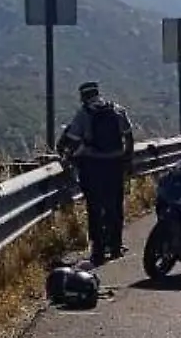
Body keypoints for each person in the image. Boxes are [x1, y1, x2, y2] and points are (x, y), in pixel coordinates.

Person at [57, 80, 134, 264]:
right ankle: (115, 247)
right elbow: (129, 136)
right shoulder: (117, 110)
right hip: (115, 165)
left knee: (95, 208)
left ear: (83, 97)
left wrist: (65, 155)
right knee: (115, 206)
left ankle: (98, 251)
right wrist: (127, 160)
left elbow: (72, 139)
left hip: (93, 166)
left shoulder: (84, 114)